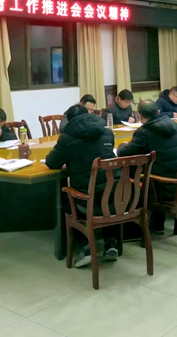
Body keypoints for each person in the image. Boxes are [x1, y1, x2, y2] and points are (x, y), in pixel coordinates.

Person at [45, 104, 118, 267]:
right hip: (115, 196)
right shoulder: (107, 132)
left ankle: (85, 247)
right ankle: (111, 243)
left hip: (86, 199)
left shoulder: (67, 138)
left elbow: (52, 162)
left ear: (70, 120)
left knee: (66, 201)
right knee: (106, 196)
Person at [118, 100, 177, 233]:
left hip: (160, 186)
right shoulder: (174, 125)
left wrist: (122, 145)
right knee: (157, 164)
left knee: (130, 174)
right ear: (158, 112)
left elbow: (125, 153)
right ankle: (156, 222)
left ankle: (132, 224)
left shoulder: (144, 132)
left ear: (140, 116)